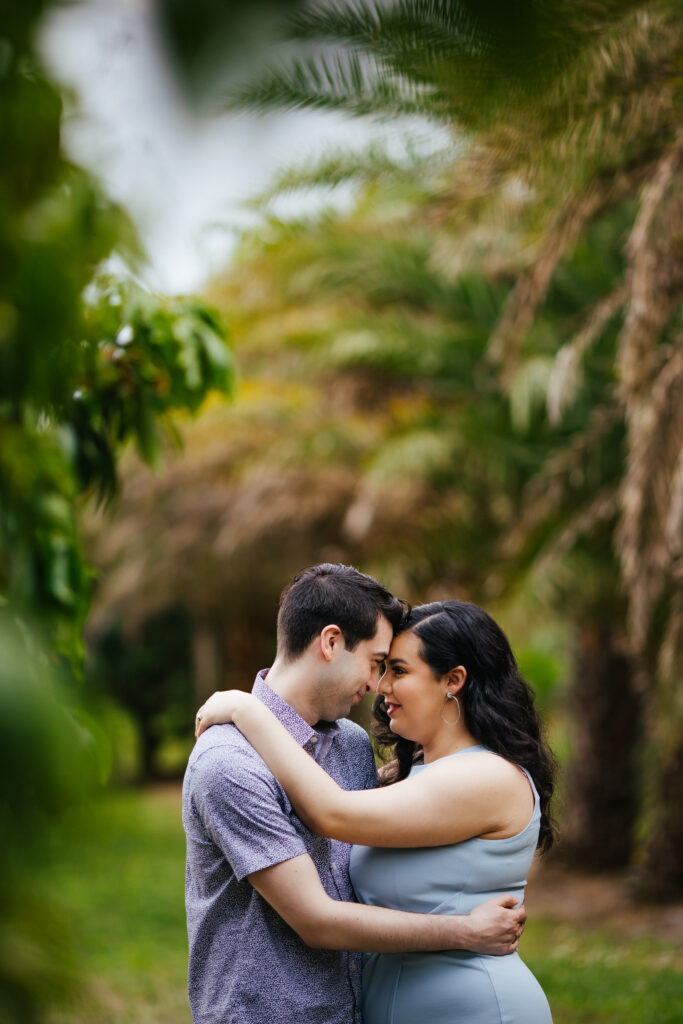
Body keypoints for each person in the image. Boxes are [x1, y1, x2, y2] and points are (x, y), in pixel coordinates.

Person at [184, 565, 527, 1024]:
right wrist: (465, 931)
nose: (377, 685)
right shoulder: (229, 762)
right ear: (330, 643)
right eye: (376, 662)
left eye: (391, 668)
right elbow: (316, 919)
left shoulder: (348, 741)